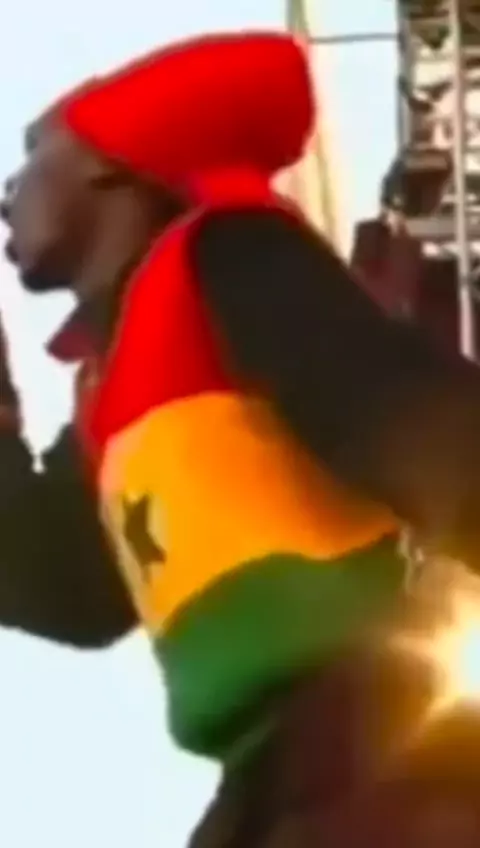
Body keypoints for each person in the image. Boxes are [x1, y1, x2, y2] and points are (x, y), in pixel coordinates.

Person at [4, 30, 480, 846]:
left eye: (32, 153)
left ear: (109, 164)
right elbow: (68, 589)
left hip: (384, 744)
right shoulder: (113, 389)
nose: (7, 192)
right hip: (276, 772)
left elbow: (399, 414)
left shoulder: (226, 253)